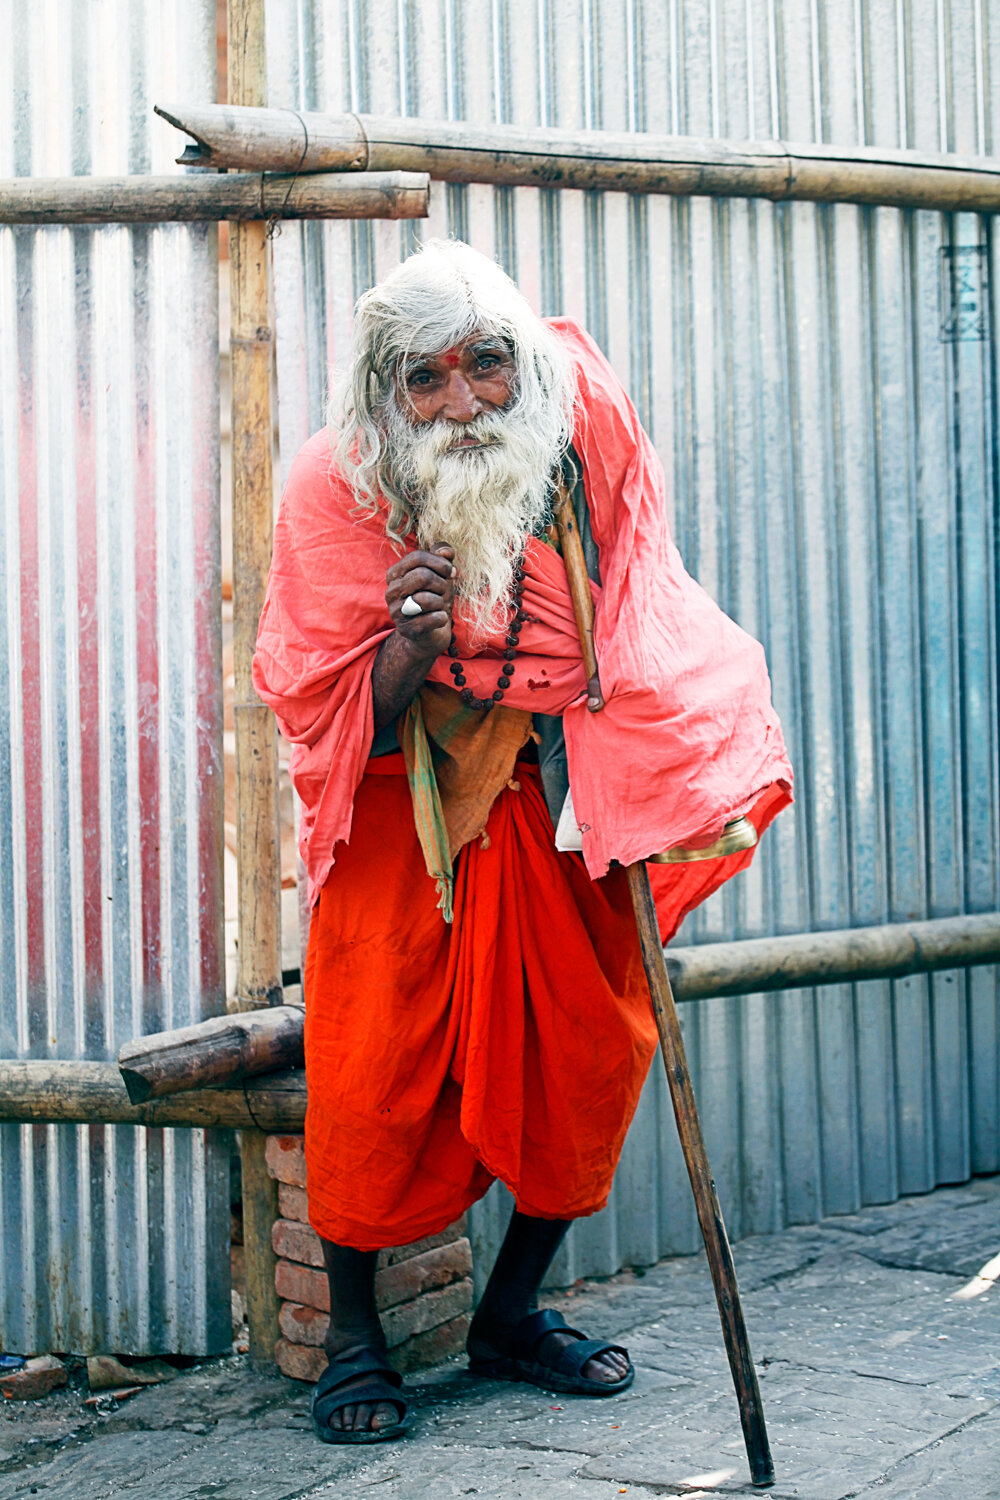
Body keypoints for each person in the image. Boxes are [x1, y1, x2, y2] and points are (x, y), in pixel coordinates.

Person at [253, 240, 792, 1444]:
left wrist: (644, 750)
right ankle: (352, 1340)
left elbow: (641, 588)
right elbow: (316, 703)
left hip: (560, 781)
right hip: (409, 802)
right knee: (371, 1065)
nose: (463, 403)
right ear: (386, 392)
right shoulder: (333, 485)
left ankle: (508, 1312)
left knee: (592, 1046)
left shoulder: (581, 416)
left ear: (523, 363)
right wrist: (406, 644)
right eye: (427, 380)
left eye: (485, 365)